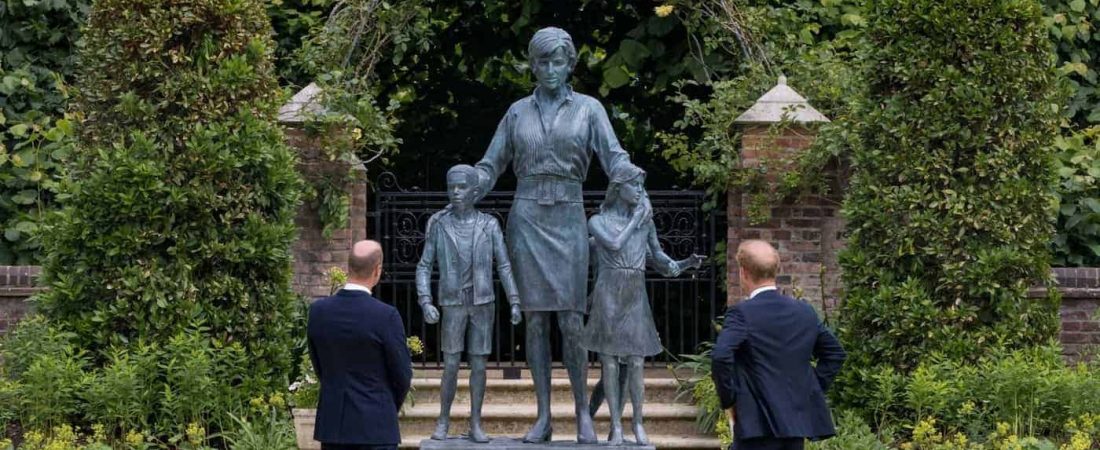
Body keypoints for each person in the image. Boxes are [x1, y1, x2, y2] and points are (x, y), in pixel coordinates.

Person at [470, 26, 641, 443]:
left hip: (567, 217)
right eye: (542, 61)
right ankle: (544, 415)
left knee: (571, 319)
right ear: (533, 65)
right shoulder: (517, 112)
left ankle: (583, 411)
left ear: (570, 65)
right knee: (535, 322)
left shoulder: (589, 110)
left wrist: (633, 180)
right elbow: (491, 165)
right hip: (527, 218)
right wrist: (467, 184)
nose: (550, 69)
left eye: (558, 61)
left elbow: (614, 157)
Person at [582, 165, 704, 445]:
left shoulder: (644, 223)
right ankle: (615, 426)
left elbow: (659, 259)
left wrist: (685, 263)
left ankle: (637, 422)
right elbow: (613, 245)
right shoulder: (598, 221)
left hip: (635, 292)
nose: (639, 191)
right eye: (634, 185)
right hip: (608, 292)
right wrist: (636, 219)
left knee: (636, 361)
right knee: (609, 362)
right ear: (618, 188)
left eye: (641, 186)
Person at [415, 164, 522, 443]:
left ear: (475, 192)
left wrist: (514, 300)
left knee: (479, 364)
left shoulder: (489, 225)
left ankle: (475, 421)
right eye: (452, 187)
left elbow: (505, 265)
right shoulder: (439, 224)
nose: (456, 192)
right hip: (452, 302)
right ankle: (443, 420)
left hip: (482, 301)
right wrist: (425, 301)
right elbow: (424, 267)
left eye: (462, 187)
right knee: (450, 364)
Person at [710, 240, 846, 450]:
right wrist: (809, 389)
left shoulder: (742, 314)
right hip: (794, 425)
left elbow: (721, 355)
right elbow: (835, 354)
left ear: (743, 272)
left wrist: (730, 400)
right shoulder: (803, 312)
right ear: (776, 270)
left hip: (756, 425)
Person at [308, 240, 413, 450]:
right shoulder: (386, 316)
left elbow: (319, 365)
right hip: (376, 426)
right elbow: (402, 375)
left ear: (349, 267)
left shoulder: (318, 311)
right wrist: (385, 406)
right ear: (377, 270)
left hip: (334, 427)